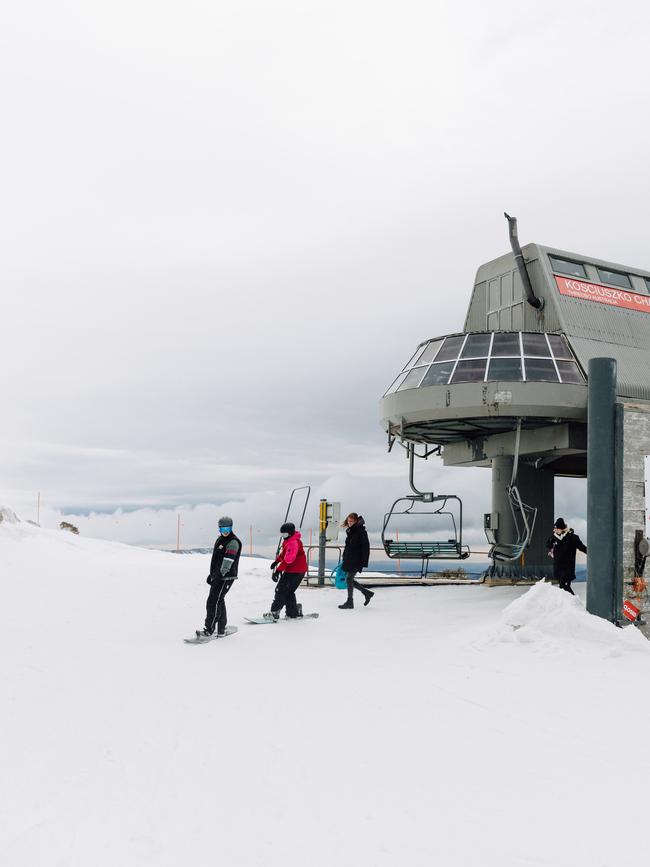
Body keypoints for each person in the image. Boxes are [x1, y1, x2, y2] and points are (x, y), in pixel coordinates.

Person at [196, 516, 242, 637]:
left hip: (225, 577)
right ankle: (221, 628)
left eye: (227, 528)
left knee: (213, 602)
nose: (225, 531)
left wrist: (218, 575)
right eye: (222, 528)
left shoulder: (233, 542)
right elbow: (217, 560)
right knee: (219, 600)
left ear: (231, 527)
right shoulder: (220, 540)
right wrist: (211, 575)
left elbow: (227, 562)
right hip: (218, 576)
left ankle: (209, 630)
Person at [263, 522, 308, 621]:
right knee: (288, 591)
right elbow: (284, 553)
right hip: (297, 571)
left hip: (295, 571)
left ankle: (274, 612)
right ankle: (293, 613)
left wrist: (278, 570)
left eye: (285, 534)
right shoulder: (289, 541)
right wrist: (276, 561)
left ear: (291, 533)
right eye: (282, 534)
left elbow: (289, 559)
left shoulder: (293, 543)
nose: (283, 537)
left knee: (281, 590)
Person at [338, 512, 373, 609]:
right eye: (348, 521)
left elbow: (366, 547)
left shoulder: (360, 531)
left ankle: (350, 601)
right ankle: (366, 593)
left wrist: (363, 562)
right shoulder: (351, 531)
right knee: (349, 579)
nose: (349, 523)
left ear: (356, 521)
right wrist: (344, 556)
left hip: (356, 560)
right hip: (350, 559)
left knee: (348, 579)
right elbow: (348, 546)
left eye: (351, 521)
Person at [546, 517, 587, 595]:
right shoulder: (553, 537)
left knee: (564, 586)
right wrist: (550, 547)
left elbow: (582, 547)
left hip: (568, 567)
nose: (555, 530)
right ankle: (571, 603)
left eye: (557, 528)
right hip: (558, 566)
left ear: (562, 528)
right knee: (562, 587)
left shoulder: (572, 538)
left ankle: (574, 603)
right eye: (555, 528)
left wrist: (592, 553)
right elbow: (548, 545)